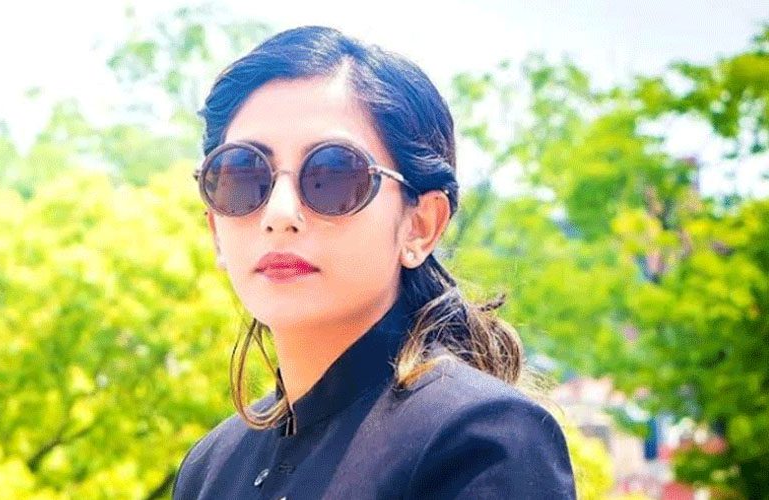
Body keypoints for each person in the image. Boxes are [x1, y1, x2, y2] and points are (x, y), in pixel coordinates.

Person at [172, 25, 577, 499]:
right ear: (214, 228)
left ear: (420, 225)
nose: (279, 214)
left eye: (332, 175)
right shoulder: (211, 468)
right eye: (243, 176)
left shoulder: (480, 442)